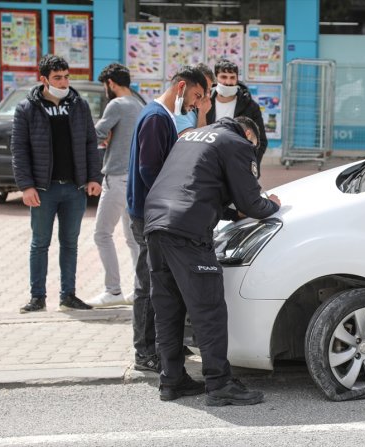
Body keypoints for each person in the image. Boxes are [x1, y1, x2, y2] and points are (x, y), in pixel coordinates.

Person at [144, 116, 280, 404]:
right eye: (253, 144)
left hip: (155, 224)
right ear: (247, 133)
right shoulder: (237, 143)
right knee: (209, 310)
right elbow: (252, 202)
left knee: (168, 309)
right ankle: (219, 384)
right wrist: (274, 205)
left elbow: (195, 186)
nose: (251, 149)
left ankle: (171, 380)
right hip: (187, 232)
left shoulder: (191, 137)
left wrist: (232, 213)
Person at [127, 66, 210, 372]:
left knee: (159, 282)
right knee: (149, 285)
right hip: (148, 213)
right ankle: (145, 352)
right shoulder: (156, 117)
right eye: (196, 96)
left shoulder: (161, 115)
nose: (195, 104)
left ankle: (161, 346)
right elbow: (150, 169)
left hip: (152, 211)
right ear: (181, 87)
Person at [12, 54, 102, 313]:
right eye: (57, 78)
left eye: (66, 77)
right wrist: (26, 186)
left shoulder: (79, 105)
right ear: (44, 79)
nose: (63, 83)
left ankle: (68, 294)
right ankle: (37, 297)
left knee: (70, 243)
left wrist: (94, 178)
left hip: (74, 188)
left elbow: (89, 143)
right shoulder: (27, 108)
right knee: (40, 243)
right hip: (43, 189)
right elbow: (19, 150)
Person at [86, 63, 143, 308]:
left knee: (102, 234)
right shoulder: (140, 105)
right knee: (133, 239)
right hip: (135, 179)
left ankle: (113, 290)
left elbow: (96, 134)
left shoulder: (116, 104)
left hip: (116, 176)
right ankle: (140, 289)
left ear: (111, 83)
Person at [185, 59, 268, 171]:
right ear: (216, 79)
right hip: (209, 165)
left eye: (232, 77)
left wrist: (250, 166)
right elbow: (197, 134)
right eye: (223, 77)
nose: (228, 82)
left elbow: (261, 141)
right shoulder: (203, 103)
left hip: (239, 166)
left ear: (237, 79)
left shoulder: (250, 106)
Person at [174, 63, 215, 136]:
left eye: (208, 90)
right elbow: (197, 142)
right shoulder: (178, 109)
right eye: (203, 88)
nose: (206, 94)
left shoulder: (193, 109)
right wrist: (202, 113)